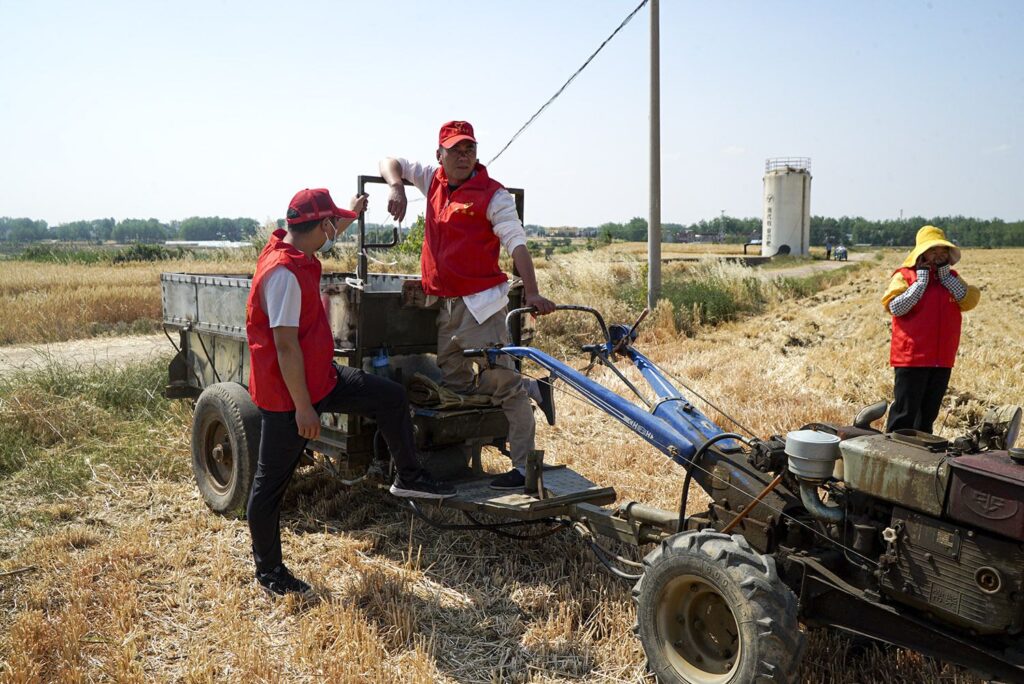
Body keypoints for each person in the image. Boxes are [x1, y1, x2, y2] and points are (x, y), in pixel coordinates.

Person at [245, 187, 455, 598]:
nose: (334, 230)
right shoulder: (284, 275)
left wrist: (353, 214)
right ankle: (269, 573)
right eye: (332, 223)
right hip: (290, 396)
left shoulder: (291, 246)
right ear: (319, 225)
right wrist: (305, 410)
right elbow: (285, 346)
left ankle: (409, 477)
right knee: (269, 488)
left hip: (321, 377)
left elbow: (325, 228)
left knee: (390, 397)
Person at [379, 120, 556, 491]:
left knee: (505, 388)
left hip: (482, 306)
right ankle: (532, 388)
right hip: (447, 305)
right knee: (455, 380)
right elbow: (389, 159)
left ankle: (524, 468)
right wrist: (396, 186)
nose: (463, 156)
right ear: (439, 154)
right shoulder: (432, 180)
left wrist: (533, 290)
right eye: (456, 149)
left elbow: (516, 242)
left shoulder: (493, 195)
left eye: (470, 149)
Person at [881, 225, 980, 434]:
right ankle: (893, 455)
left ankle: (921, 459)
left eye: (943, 251)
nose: (938, 255)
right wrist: (921, 283)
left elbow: (968, 300)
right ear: (921, 253)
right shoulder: (905, 276)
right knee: (904, 415)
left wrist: (946, 279)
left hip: (942, 358)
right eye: (933, 250)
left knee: (927, 417)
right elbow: (895, 307)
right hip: (911, 357)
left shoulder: (952, 279)